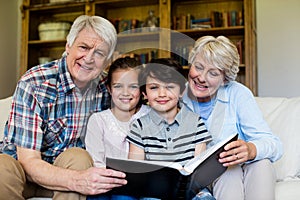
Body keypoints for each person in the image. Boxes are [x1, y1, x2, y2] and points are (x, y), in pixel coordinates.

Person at [0, 15, 127, 199]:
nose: (89, 58)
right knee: (1, 168)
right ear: (68, 46)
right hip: (21, 171)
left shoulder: (108, 88)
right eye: (83, 47)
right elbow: (28, 161)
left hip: (65, 173)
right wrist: (77, 180)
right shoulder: (35, 83)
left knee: (79, 157)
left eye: (99, 53)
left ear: (107, 60)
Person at [181, 35, 283, 200]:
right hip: (206, 173)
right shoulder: (176, 94)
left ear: (224, 79)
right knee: (228, 172)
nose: (201, 77)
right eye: (198, 67)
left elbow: (274, 145)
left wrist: (251, 150)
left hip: (241, 167)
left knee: (261, 165)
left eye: (213, 73)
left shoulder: (238, 93)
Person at [127, 58, 214, 200]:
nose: (162, 94)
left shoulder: (195, 121)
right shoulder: (139, 127)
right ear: (144, 94)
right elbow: (135, 171)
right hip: (154, 192)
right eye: (154, 88)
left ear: (181, 91)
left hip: (191, 191)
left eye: (170, 87)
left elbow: (200, 169)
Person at [85, 56, 150, 200]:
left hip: (140, 185)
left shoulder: (150, 116)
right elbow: (97, 162)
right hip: (105, 182)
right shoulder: (98, 120)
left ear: (141, 89)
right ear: (109, 88)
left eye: (133, 86)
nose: (125, 93)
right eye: (118, 86)